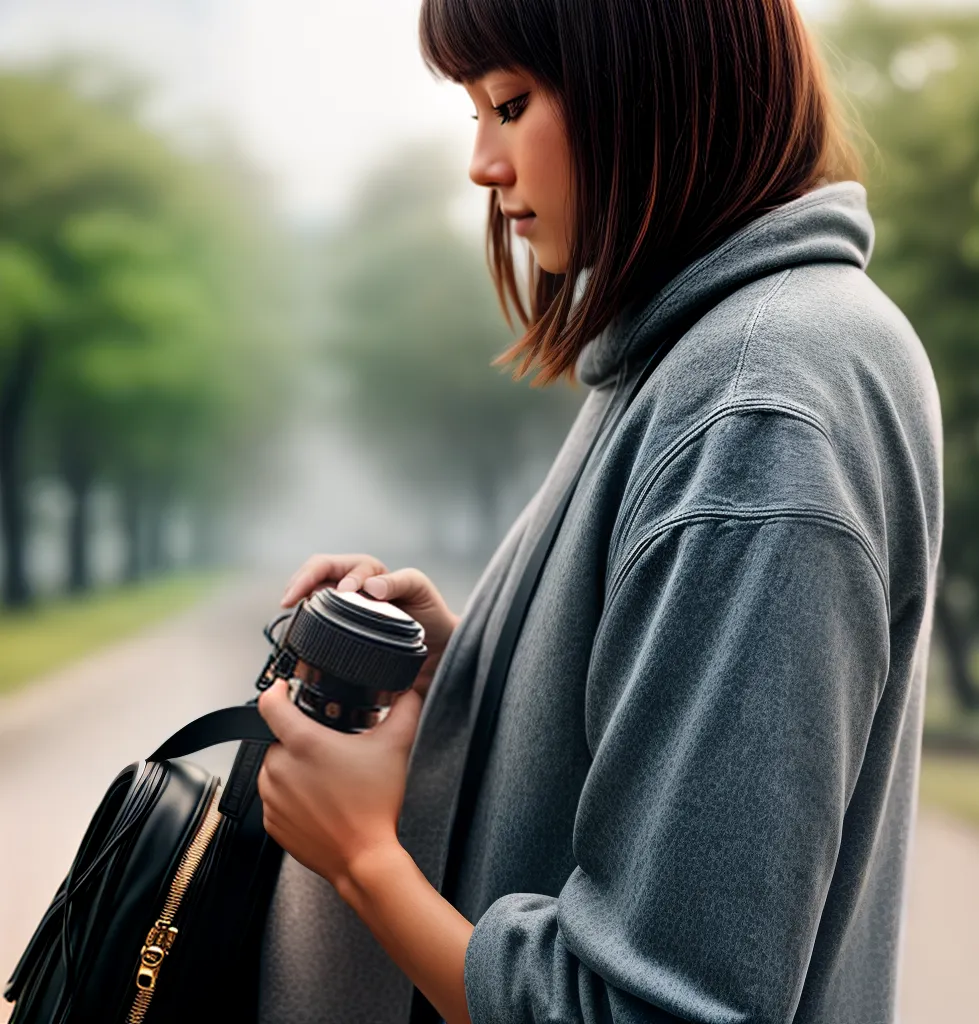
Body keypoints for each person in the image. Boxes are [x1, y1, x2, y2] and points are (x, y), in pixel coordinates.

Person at [254, 1, 944, 1023]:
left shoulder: (759, 402)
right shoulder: (702, 353)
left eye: (511, 103)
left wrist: (362, 859)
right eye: (474, 113)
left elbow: (656, 1006)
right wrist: (477, 670)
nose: (483, 165)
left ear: (648, 82)